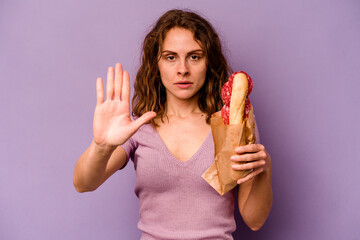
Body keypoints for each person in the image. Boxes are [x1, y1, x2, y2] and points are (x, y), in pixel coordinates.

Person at [73, 9, 272, 240]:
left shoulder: (233, 127)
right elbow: (83, 183)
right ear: (156, 63)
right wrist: (101, 146)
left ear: (209, 62)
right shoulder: (137, 128)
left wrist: (264, 168)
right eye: (170, 57)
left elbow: (254, 220)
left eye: (194, 56)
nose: (183, 69)